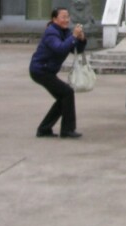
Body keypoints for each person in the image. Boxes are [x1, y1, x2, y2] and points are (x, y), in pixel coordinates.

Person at [29, 8, 87, 138]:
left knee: (63, 98)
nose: (66, 20)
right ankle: (67, 130)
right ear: (55, 19)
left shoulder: (65, 32)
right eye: (63, 17)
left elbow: (75, 49)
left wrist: (81, 39)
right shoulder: (51, 33)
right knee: (67, 93)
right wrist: (73, 36)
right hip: (40, 70)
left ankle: (44, 129)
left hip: (48, 70)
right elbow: (60, 49)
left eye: (67, 17)